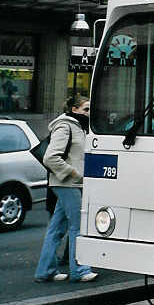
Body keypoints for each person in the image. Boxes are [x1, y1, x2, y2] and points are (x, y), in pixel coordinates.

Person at [34, 95, 98, 283]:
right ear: (74, 110)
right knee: (78, 225)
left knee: (57, 228)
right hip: (68, 183)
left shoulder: (79, 127)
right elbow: (50, 157)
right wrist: (74, 174)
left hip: (67, 183)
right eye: (85, 109)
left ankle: (45, 270)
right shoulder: (65, 126)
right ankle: (80, 269)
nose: (89, 112)